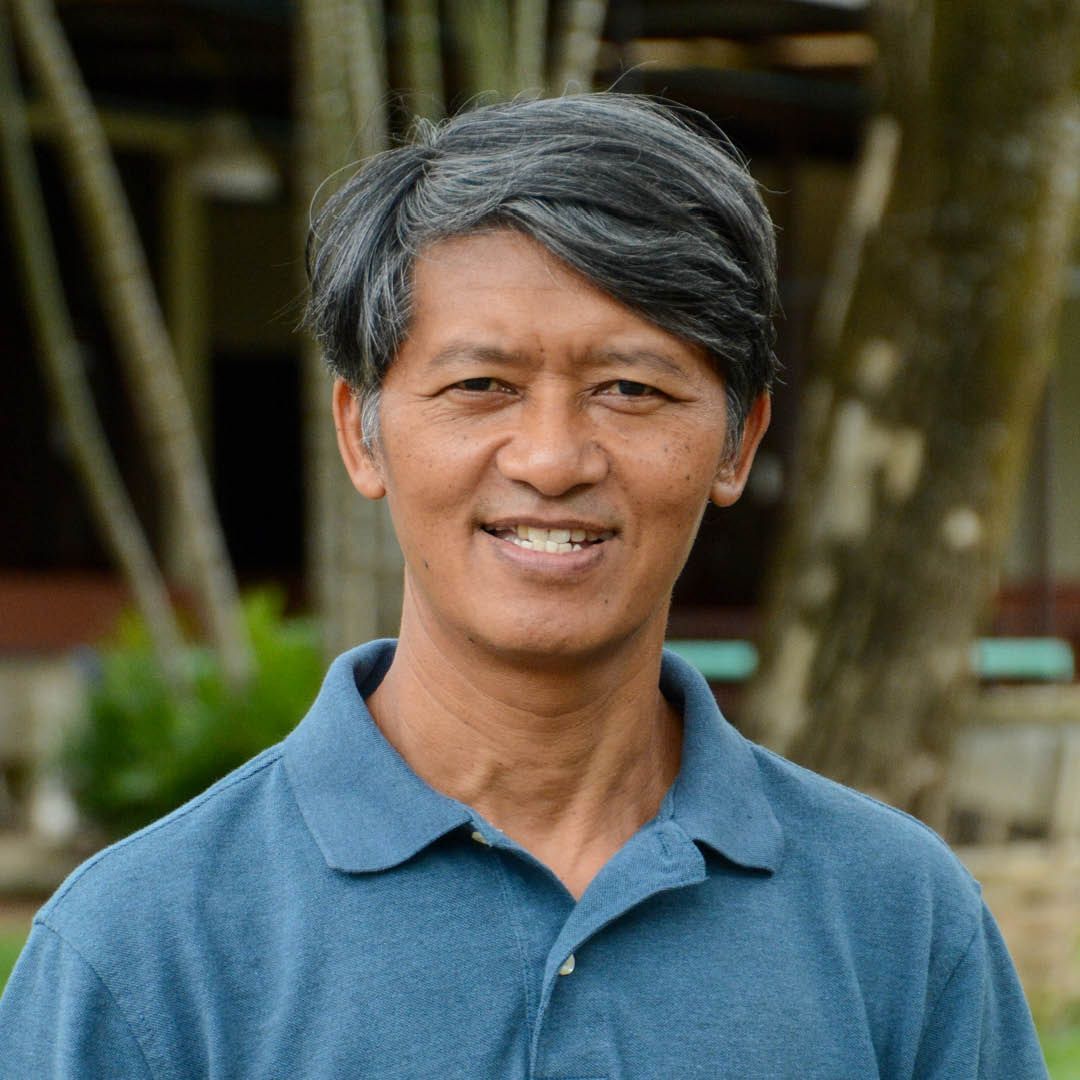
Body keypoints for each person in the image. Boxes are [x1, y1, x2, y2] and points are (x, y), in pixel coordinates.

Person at [0, 94, 1046, 1078]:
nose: (552, 459)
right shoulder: (141, 947)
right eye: (480, 387)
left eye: (630, 389)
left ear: (738, 444)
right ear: (359, 435)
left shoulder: (899, 920)